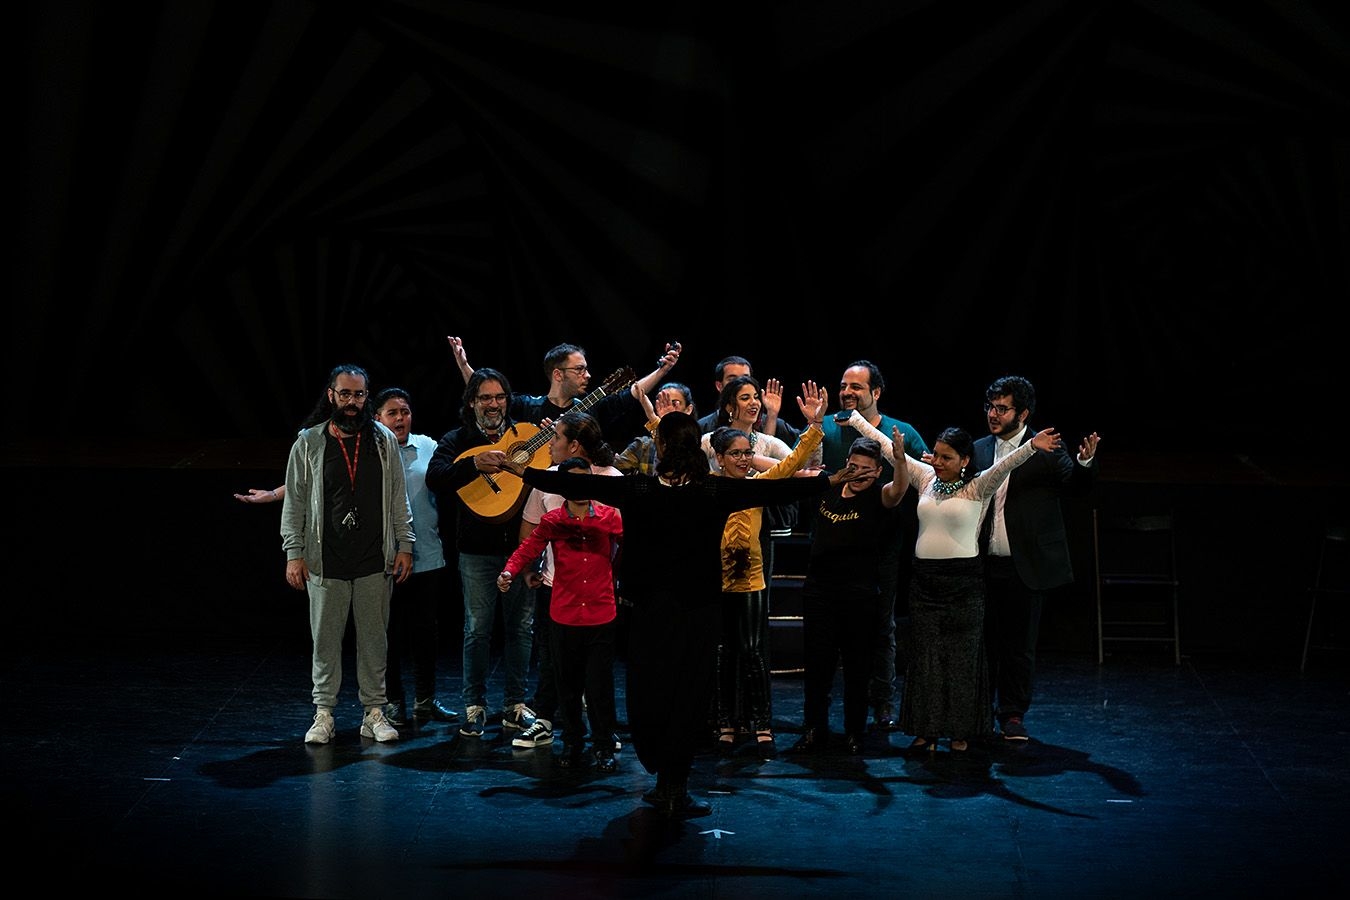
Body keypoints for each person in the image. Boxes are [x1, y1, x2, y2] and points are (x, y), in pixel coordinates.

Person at [484, 410, 861, 819]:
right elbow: (776, 493)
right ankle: (672, 784)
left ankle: (668, 781)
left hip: (653, 612)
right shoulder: (712, 491)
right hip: (697, 612)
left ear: (662, 446)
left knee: (654, 691)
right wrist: (829, 481)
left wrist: (517, 470)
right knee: (687, 694)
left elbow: (574, 482)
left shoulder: (642, 490)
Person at [846, 414, 1064, 752]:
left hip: (964, 584)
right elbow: (890, 450)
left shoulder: (979, 486)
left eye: (947, 457)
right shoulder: (926, 478)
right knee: (927, 659)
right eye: (936, 454)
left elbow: (1007, 463)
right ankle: (926, 730)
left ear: (964, 460)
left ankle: (960, 731)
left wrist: (1032, 447)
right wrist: (857, 420)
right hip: (925, 583)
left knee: (961, 661)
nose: (938, 461)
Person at [281, 364, 414, 745]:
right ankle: (324, 713)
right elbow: (295, 503)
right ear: (331, 396)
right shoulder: (309, 442)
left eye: (358, 395)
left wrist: (405, 544)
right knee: (325, 642)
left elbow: (398, 497)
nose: (352, 402)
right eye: (345, 394)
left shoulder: (383, 440)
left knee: (375, 640)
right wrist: (294, 552)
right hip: (326, 561)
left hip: (375, 559)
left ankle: (374, 712)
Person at [973, 375, 1100, 742]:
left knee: (1018, 646)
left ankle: (1012, 714)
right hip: (982, 563)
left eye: (1002, 408)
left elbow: (1075, 486)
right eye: (990, 407)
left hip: (1022, 565)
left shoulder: (1044, 449)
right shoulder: (980, 449)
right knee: (982, 644)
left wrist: (1085, 463)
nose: (993, 415)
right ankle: (978, 712)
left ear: (1023, 413)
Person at [709, 381, 830, 760]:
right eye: (737, 454)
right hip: (718, 581)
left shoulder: (758, 486)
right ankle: (726, 721)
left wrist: (813, 427)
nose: (744, 459)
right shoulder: (708, 488)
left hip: (751, 581)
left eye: (748, 453)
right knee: (723, 652)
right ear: (719, 457)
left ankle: (762, 723)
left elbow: (792, 464)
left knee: (752, 651)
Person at [815, 360, 928, 731]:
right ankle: (826, 713)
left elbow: (926, 476)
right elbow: (805, 466)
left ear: (875, 393)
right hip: (835, 543)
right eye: (843, 385)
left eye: (856, 387)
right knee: (829, 634)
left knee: (880, 626)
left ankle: (881, 702)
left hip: (882, 546)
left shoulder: (902, 432)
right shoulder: (828, 426)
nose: (847, 392)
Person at [424, 368, 537, 740]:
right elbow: (435, 478)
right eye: (485, 398)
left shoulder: (526, 435)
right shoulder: (457, 439)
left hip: (520, 548)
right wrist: (473, 464)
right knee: (477, 629)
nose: (493, 404)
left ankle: (515, 705)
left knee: (520, 629)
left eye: (499, 397)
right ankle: (474, 706)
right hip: (475, 550)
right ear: (472, 401)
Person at [498, 457, 624, 772]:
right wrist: (510, 572)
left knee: (598, 687)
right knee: (567, 686)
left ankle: (603, 744)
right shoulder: (553, 520)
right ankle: (572, 742)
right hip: (564, 614)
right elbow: (528, 548)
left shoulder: (609, 517)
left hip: (600, 613)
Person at [788, 436, 909, 757]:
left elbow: (898, 490)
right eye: (852, 467)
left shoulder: (878, 496)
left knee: (857, 669)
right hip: (820, 594)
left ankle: (854, 732)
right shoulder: (828, 489)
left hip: (858, 597)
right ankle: (814, 730)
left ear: (877, 471)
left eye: (865, 470)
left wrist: (900, 459)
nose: (857, 475)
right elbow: (791, 474)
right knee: (818, 668)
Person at [370, 387, 459, 727]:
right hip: (384, 559)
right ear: (378, 418)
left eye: (404, 412)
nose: (400, 419)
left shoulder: (428, 446)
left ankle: (426, 699)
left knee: (426, 632)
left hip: (427, 554)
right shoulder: (369, 450)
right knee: (388, 632)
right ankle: (393, 700)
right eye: (392, 413)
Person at [447, 336, 683, 449]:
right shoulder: (528, 406)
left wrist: (663, 370)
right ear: (558, 375)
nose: (588, 376)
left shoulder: (592, 406)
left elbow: (633, 393)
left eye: (587, 369)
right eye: (580, 370)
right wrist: (463, 365)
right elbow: (487, 395)